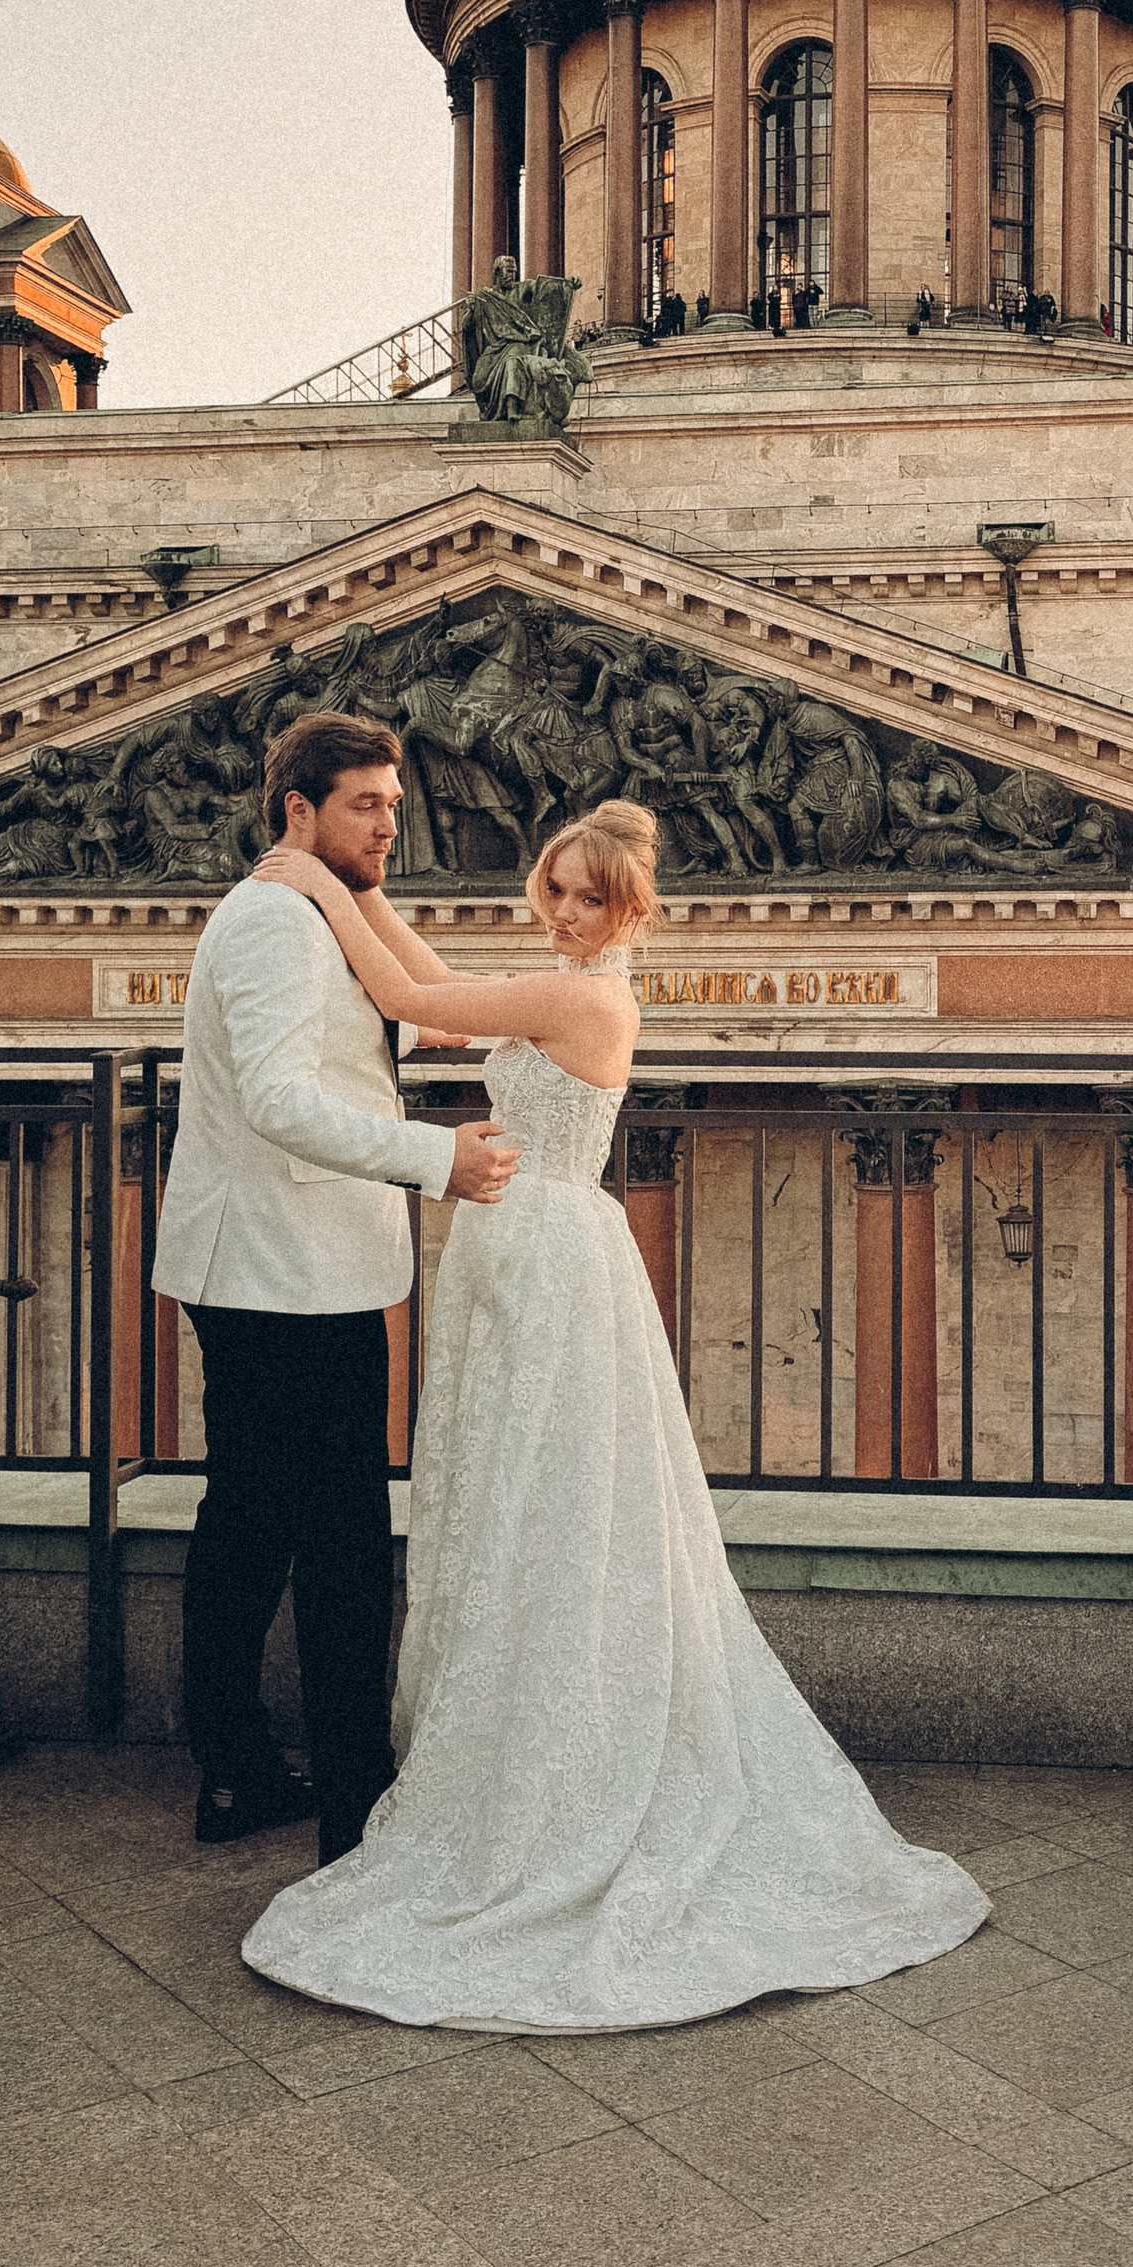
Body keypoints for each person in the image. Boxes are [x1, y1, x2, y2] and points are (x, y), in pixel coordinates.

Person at [235, 800, 988, 2031]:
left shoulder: (587, 999)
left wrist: (319, 884)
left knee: (550, 1490)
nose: (568, 908)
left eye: (591, 895)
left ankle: (553, 1766)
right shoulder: (561, 982)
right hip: (511, 1248)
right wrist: (358, 887)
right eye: (558, 886)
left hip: (546, 1256)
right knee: (503, 1489)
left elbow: (393, 991)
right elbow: (428, 997)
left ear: (629, 909)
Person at [151, 713, 521, 1861]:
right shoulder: (272, 923)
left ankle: (236, 1770)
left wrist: (340, 879)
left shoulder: (309, 904)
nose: (390, 822)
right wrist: (435, 1157)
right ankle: (353, 1796)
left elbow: (426, 998)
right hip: (281, 1273)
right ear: (297, 808)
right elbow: (274, 1097)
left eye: (395, 804)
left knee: (251, 1525)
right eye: (365, 804)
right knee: (340, 1539)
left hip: (281, 1265)